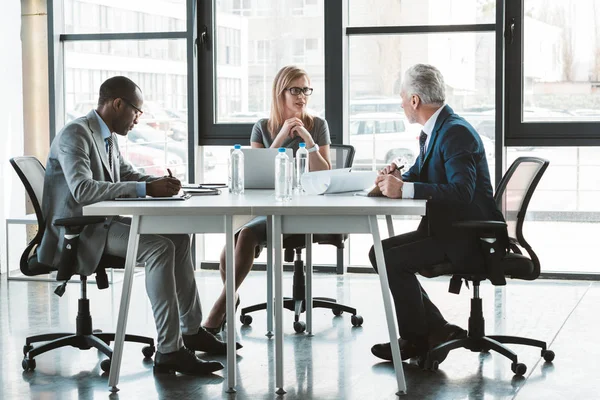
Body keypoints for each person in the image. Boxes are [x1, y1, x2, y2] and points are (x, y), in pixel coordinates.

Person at [38, 76, 240, 376]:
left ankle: (191, 330)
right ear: (118, 104)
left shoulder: (104, 135)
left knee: (180, 239)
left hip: (103, 223)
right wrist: (145, 191)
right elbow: (82, 190)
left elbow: (123, 173)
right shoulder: (76, 134)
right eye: (136, 111)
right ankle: (170, 351)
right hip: (80, 232)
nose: (138, 119)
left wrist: (158, 183)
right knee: (159, 249)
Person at [368, 64, 507, 363]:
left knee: (390, 258)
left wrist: (403, 190)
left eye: (403, 97)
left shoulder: (455, 132)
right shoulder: (434, 131)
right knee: (378, 252)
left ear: (415, 100)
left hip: (470, 237)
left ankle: (416, 340)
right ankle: (438, 330)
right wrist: (396, 179)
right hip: (447, 230)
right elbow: (422, 174)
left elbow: (461, 192)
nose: (401, 102)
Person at [202, 65, 332, 334]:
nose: (302, 96)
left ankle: (218, 311)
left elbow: (326, 175)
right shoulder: (262, 127)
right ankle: (232, 298)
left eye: (306, 90)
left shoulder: (318, 125)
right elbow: (258, 175)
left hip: (304, 209)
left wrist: (309, 141)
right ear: (280, 92)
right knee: (230, 244)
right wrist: (282, 138)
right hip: (266, 205)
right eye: (295, 90)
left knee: (247, 235)